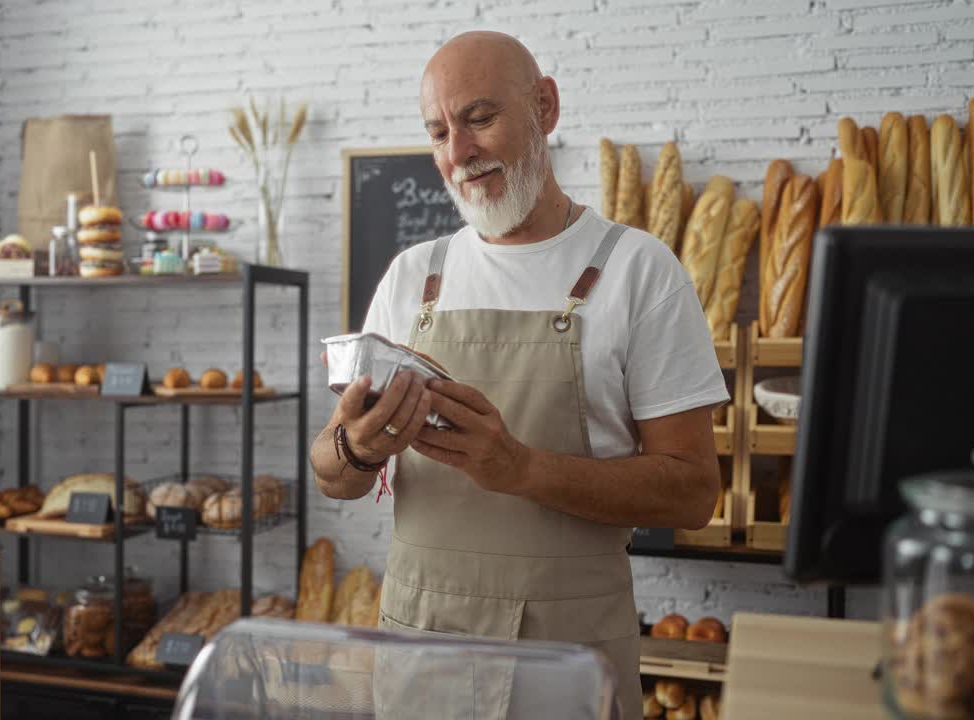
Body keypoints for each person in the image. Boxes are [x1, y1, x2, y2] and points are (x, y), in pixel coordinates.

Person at [310, 31, 729, 718]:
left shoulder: (637, 270)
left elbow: (692, 493)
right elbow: (332, 472)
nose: (458, 153)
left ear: (545, 106)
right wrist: (360, 446)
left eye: (479, 118)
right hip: (424, 650)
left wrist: (521, 468)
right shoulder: (413, 279)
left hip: (567, 661)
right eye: (439, 132)